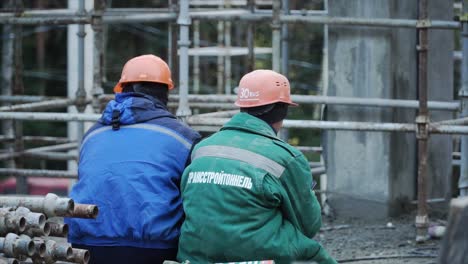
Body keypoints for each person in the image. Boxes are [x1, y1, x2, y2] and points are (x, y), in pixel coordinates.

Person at [177, 69, 337, 264]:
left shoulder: (202, 148)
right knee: (312, 256)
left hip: (193, 257)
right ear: (283, 109)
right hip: (259, 257)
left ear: (242, 106)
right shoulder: (286, 158)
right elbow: (309, 225)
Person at [66, 54, 201, 264]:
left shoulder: (92, 135)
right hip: (152, 248)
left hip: (86, 246)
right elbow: (195, 201)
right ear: (166, 93)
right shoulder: (183, 138)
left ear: (121, 89)